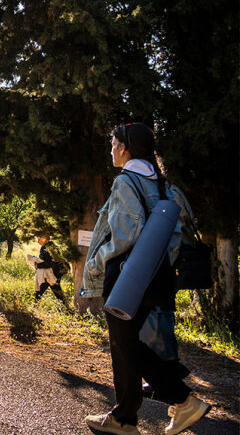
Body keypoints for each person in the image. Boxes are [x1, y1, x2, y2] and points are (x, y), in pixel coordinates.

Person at [82, 123, 209, 435]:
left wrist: (97, 262)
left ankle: (179, 401)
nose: (110, 150)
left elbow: (124, 235)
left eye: (113, 144)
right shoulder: (164, 186)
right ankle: (126, 417)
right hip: (159, 275)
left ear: (125, 148)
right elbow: (175, 236)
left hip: (128, 276)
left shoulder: (127, 181)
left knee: (124, 346)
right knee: (127, 345)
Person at [33, 234, 69, 305]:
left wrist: (38, 265)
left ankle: (33, 308)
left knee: (42, 290)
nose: (38, 241)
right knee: (55, 291)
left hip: (53, 273)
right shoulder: (49, 246)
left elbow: (49, 263)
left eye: (39, 239)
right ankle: (67, 309)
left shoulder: (48, 248)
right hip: (52, 273)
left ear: (44, 238)